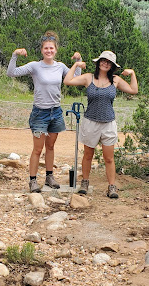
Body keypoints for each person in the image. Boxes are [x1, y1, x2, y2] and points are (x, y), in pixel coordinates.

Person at [7, 31, 81, 193]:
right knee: (37, 149)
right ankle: (33, 181)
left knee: (51, 147)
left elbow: (75, 78)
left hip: (55, 112)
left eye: (51, 48)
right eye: (46, 48)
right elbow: (11, 73)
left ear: (56, 50)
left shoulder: (60, 67)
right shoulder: (35, 66)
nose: (49, 51)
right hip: (40, 112)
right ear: (42, 50)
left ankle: (49, 177)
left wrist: (78, 60)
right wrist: (14, 55)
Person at [64, 50, 138, 199]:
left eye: (108, 62)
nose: (105, 63)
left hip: (108, 123)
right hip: (90, 121)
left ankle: (112, 187)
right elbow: (67, 81)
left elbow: (133, 90)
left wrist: (132, 74)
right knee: (88, 155)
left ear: (112, 66)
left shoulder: (115, 80)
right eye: (103, 60)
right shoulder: (88, 78)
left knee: (109, 158)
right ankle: (84, 182)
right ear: (98, 62)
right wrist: (77, 64)